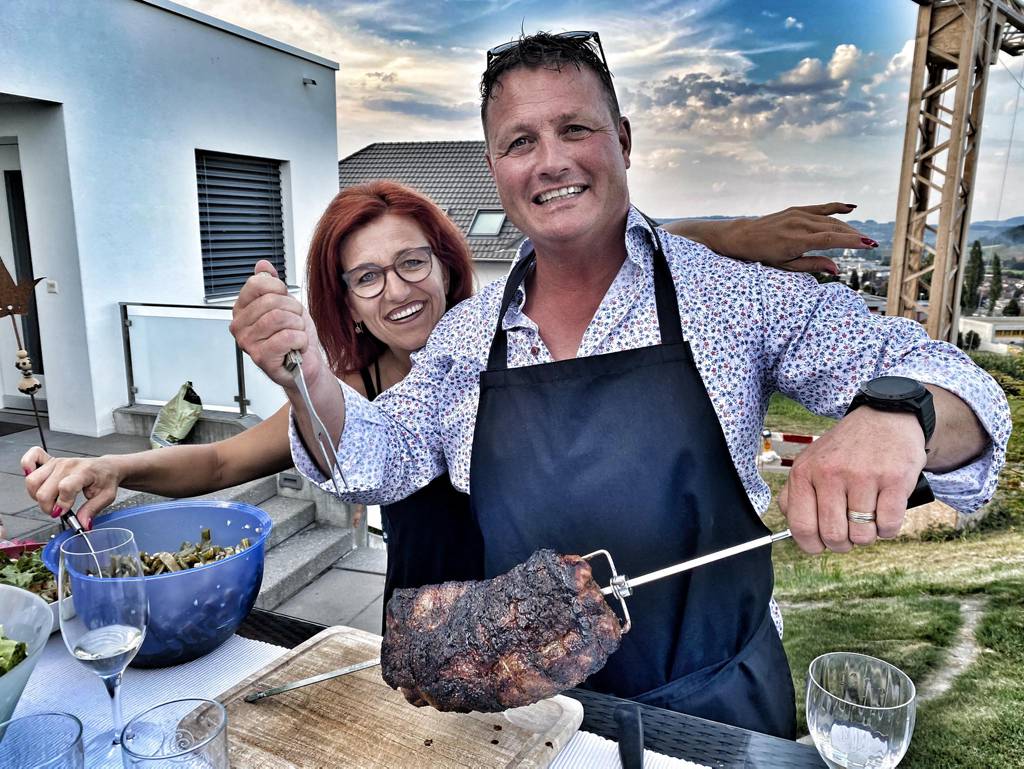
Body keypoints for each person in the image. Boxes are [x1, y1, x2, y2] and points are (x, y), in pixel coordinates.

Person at [231, 32, 1009, 738]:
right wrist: (307, 379)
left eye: (576, 128)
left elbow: (961, 385)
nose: (551, 160)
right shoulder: (467, 339)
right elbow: (377, 454)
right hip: (533, 722)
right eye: (520, 141)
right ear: (496, 168)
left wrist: (896, 411)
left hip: (723, 718)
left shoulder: (729, 295)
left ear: (623, 140)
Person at [18, 180, 856, 618]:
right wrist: (112, 466)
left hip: (549, 622)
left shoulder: (508, 343)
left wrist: (732, 237)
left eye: (413, 262)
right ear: (342, 301)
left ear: (450, 263)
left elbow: (604, 250)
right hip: (422, 624)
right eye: (367, 278)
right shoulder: (346, 394)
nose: (398, 292)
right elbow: (218, 457)